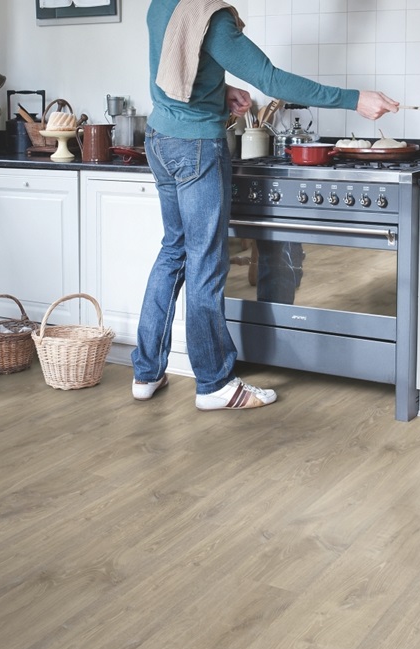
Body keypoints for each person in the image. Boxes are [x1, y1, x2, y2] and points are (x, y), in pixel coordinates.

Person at [131, 0, 399, 410]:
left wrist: (219, 90)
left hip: (160, 139)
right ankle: (214, 384)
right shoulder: (211, 17)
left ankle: (146, 372)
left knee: (175, 252)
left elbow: (175, 70)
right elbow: (271, 79)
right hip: (195, 145)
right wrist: (354, 99)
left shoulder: (164, 4)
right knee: (206, 263)